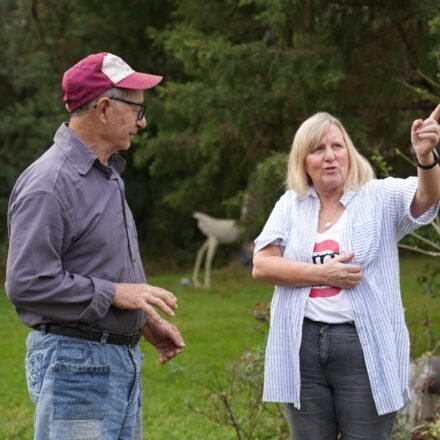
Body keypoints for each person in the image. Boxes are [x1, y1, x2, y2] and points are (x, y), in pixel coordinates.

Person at [6, 52, 185, 440]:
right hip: (77, 366)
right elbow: (26, 283)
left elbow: (100, 266)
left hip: (115, 360)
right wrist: (116, 294)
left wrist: (141, 321)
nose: (143, 121)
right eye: (137, 109)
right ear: (104, 108)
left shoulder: (106, 176)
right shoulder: (50, 185)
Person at [252, 108, 440, 439]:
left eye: (337, 147)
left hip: (362, 346)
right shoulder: (291, 204)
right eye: (318, 149)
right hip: (302, 344)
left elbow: (427, 197)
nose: (329, 157)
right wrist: (324, 274)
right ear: (303, 162)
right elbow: (263, 264)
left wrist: (425, 158)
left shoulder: (378, 196)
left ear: (349, 153)